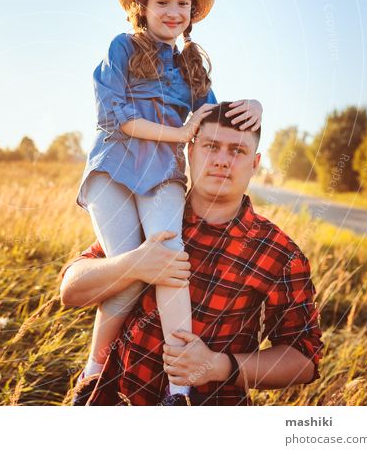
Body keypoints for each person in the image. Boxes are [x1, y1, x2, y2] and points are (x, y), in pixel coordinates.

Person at [74, 0, 262, 402]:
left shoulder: (191, 65)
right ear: (143, 6)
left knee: (170, 262)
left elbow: (215, 118)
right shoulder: (122, 47)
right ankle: (94, 372)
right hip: (114, 170)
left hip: (163, 175)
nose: (173, 11)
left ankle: (178, 390)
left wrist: (255, 105)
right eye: (163, 2)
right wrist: (178, 133)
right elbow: (113, 117)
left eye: (183, 3)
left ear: (192, 14)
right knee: (132, 272)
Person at [62, 103, 323, 405]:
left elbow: (305, 359)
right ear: (189, 152)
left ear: (255, 164)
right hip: (112, 399)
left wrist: (218, 365)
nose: (222, 161)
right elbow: (71, 289)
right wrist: (132, 265)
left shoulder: (279, 252)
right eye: (211, 146)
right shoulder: (150, 216)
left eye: (237, 151)